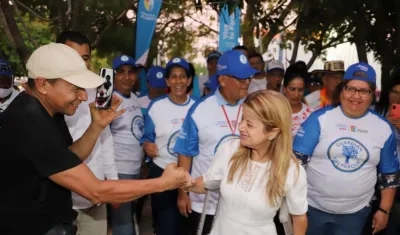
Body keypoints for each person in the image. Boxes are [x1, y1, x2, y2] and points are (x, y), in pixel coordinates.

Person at [0, 43, 191, 235]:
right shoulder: (31, 122)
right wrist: (163, 183)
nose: (83, 96)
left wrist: (96, 127)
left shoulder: (47, 110)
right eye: (75, 88)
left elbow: (68, 158)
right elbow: (95, 190)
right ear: (43, 84)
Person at [293, 62, 400, 235]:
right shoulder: (319, 119)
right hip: (311, 208)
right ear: (342, 90)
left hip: (355, 214)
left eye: (363, 91)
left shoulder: (383, 128)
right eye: (350, 88)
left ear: (372, 94)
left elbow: (390, 175)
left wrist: (384, 211)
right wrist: (294, 205)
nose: (355, 96)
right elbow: (295, 164)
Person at [183, 90, 308, 235]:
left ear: (273, 132)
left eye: (249, 124)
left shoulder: (291, 170)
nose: (241, 127)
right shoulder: (230, 150)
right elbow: (207, 183)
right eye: (242, 119)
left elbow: (299, 217)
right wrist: (184, 183)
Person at [174, 50, 258, 235]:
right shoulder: (200, 110)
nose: (246, 82)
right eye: (240, 78)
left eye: (248, 77)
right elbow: (185, 153)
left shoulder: (254, 106)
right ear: (222, 80)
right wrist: (183, 193)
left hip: (243, 203)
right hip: (205, 204)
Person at [58, 31, 119, 235]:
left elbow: (106, 140)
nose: (81, 64)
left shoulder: (98, 94)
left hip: (95, 200)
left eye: (85, 58)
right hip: (61, 201)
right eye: (73, 57)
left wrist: (113, 183)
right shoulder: (48, 99)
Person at [141, 57, 197, 235]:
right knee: (166, 227)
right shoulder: (156, 106)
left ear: (189, 80)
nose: (178, 81)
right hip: (162, 172)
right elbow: (147, 136)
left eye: (182, 76)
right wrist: (146, 145)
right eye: (173, 76)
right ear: (167, 81)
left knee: (188, 226)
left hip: (191, 174)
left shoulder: (199, 107)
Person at [108, 54, 145, 235]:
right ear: (113, 76)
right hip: (119, 171)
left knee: (127, 219)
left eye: (131, 72)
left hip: (134, 170)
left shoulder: (135, 99)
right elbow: (102, 140)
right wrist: (112, 176)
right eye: (121, 72)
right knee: (123, 225)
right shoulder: (110, 101)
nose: (127, 76)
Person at [373, 78, 400, 235]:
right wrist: (383, 123)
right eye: (394, 92)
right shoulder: (376, 112)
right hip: (375, 170)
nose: (397, 97)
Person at [282, 66, 313, 137]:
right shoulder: (275, 112)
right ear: (284, 89)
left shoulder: (311, 114)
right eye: (292, 89)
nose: (296, 94)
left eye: (300, 90)